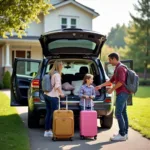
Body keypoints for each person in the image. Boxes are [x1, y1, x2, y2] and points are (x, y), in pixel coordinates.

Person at [95, 52, 130, 141]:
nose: (109, 62)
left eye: (110, 60)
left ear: (114, 58)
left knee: (118, 113)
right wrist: (100, 86)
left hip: (122, 93)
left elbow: (121, 82)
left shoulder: (120, 68)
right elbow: (110, 81)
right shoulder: (117, 68)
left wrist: (112, 89)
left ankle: (122, 134)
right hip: (123, 93)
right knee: (123, 113)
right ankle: (124, 133)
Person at [44, 60, 65, 137]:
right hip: (53, 96)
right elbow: (57, 86)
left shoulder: (50, 73)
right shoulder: (57, 75)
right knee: (54, 114)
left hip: (46, 94)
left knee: (48, 113)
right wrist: (61, 93)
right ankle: (54, 130)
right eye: (62, 65)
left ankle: (47, 131)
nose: (62, 66)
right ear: (59, 65)